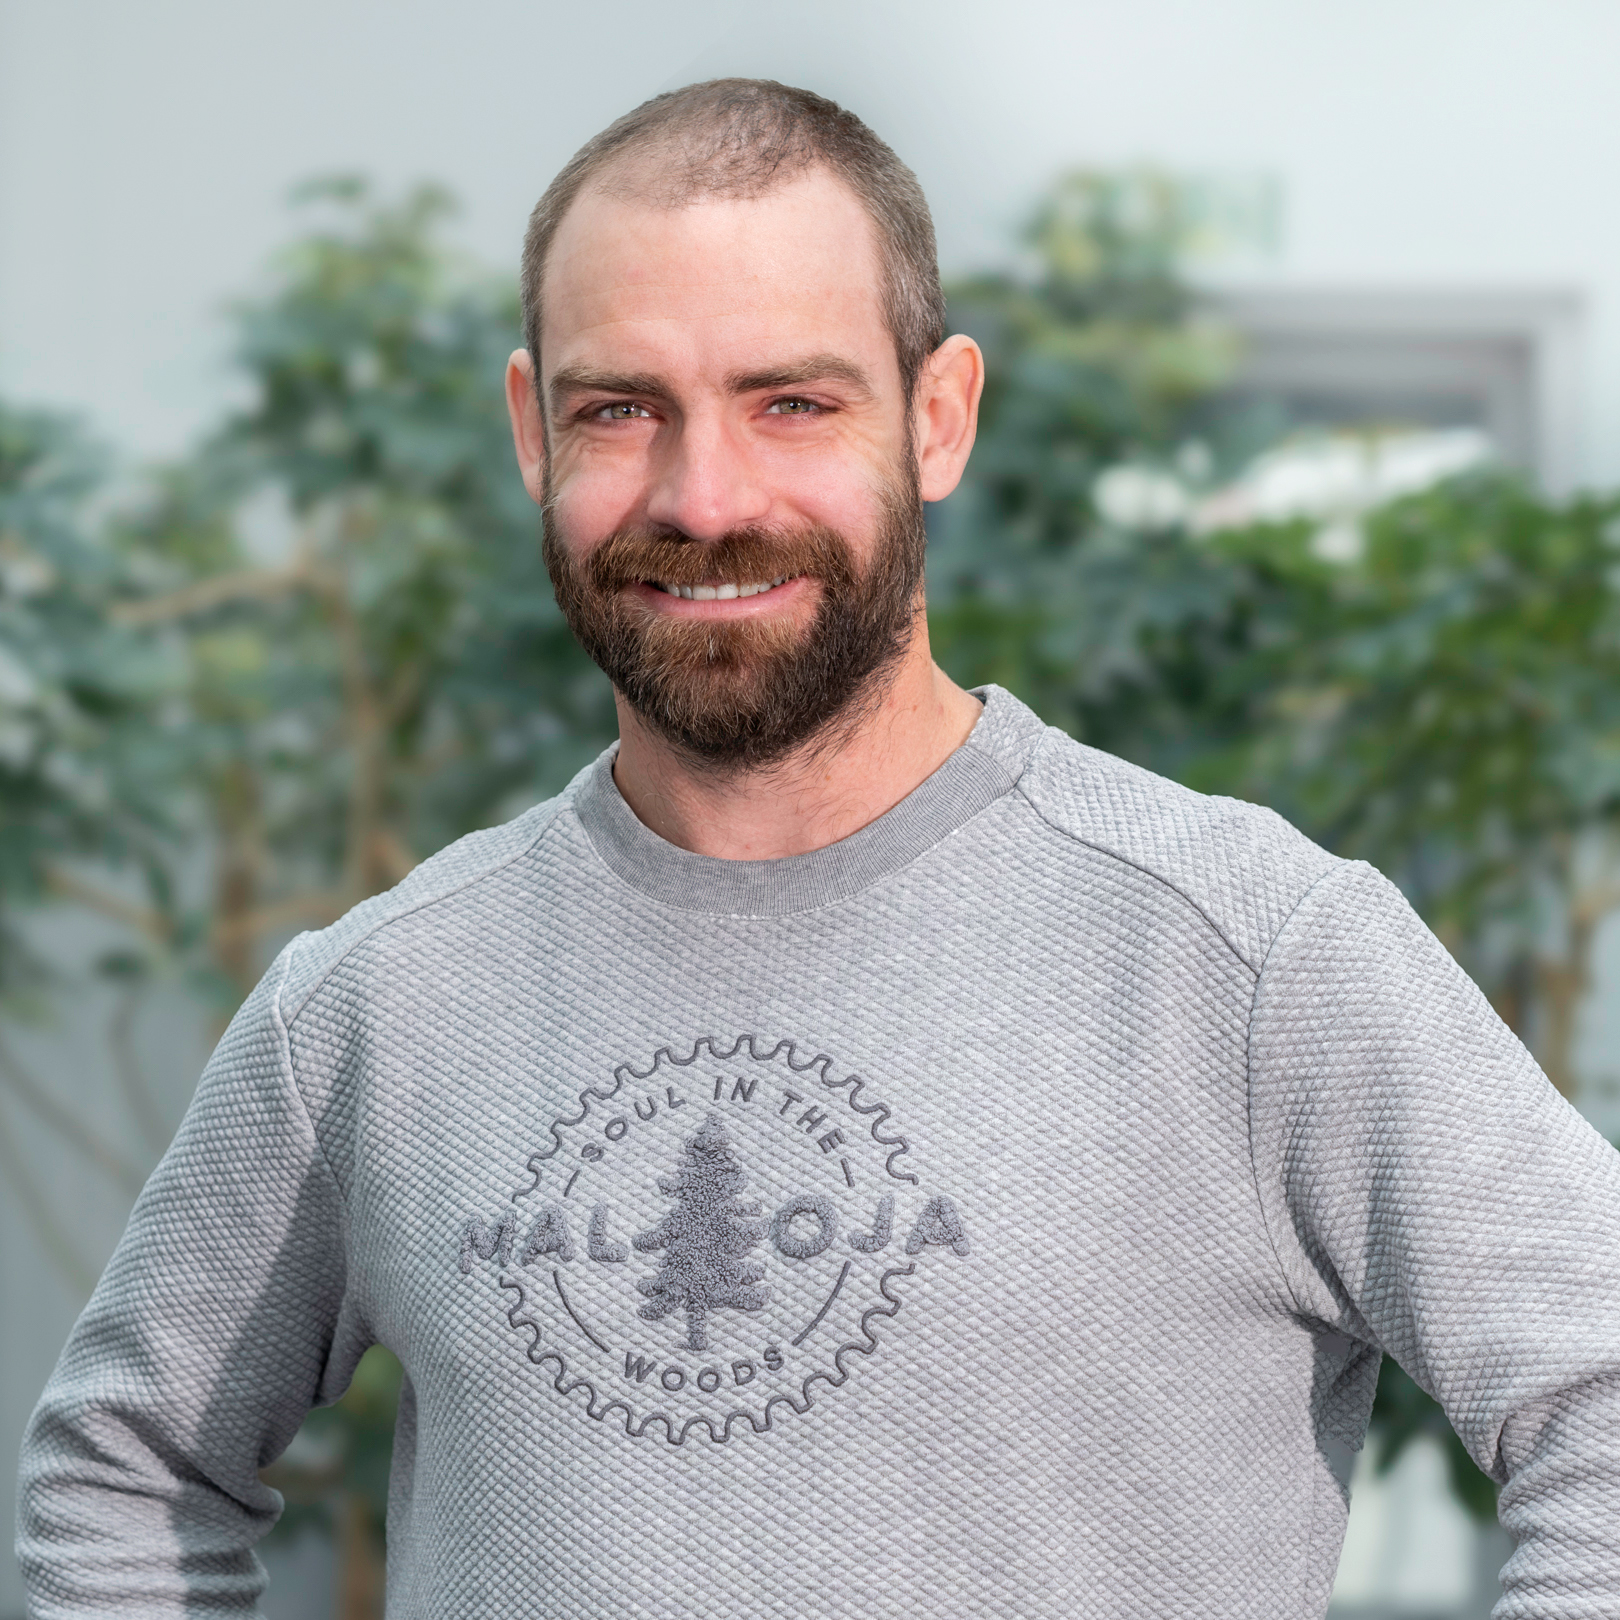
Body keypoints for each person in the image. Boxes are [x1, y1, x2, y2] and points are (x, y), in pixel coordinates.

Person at [17, 77, 1620, 1620]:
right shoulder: (377, 1006)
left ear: (938, 417)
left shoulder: (1254, 959)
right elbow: (124, 1475)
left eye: (791, 402)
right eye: (622, 409)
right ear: (531, 434)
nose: (706, 497)